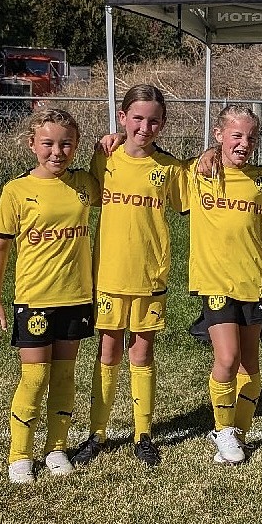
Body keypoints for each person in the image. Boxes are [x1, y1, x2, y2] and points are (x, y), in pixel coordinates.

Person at [0, 108, 100, 484]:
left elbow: (119, 173)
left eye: (66, 144)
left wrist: (108, 145)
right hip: (34, 300)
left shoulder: (84, 184)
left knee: (65, 377)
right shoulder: (16, 190)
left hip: (77, 297)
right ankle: (20, 455)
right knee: (34, 379)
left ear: (76, 146)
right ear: (32, 144)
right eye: (48, 143)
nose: (57, 151)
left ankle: (56, 448)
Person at [72, 85, 185, 468]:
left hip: (149, 275)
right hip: (108, 274)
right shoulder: (104, 158)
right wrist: (109, 141)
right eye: (137, 118)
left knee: (141, 353)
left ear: (163, 124)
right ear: (122, 118)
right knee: (107, 352)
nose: (145, 126)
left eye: (154, 120)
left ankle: (143, 434)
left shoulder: (169, 168)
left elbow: (196, 196)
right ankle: (97, 433)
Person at [188, 104, 262, 465]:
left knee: (250, 364)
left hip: (255, 280)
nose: (244, 143)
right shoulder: (200, 173)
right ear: (218, 136)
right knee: (226, 358)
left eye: (251, 137)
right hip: (215, 281)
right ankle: (223, 430)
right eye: (236, 135)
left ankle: (239, 432)